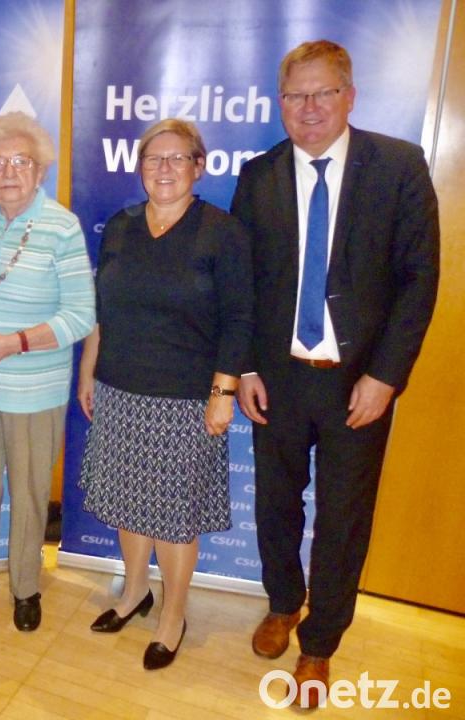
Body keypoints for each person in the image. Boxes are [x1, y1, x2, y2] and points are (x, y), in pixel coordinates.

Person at [231, 40, 440, 707]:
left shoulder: (398, 166)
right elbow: (242, 284)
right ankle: (283, 603)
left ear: (349, 96)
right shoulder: (259, 175)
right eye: (296, 95)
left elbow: (419, 279)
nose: (310, 107)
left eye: (323, 92)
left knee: (344, 516)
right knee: (275, 505)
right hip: (278, 378)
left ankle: (320, 641)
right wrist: (245, 366)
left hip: (359, 383)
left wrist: (386, 376)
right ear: (280, 102)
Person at [77, 119, 253, 670]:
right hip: (119, 389)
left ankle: (173, 615)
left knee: (175, 515)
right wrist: (88, 370)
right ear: (140, 168)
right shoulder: (122, 227)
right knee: (129, 502)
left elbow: (240, 320)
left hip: (186, 400)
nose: (165, 168)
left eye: (178, 158)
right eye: (154, 159)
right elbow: (102, 308)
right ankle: (134, 593)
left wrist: (223, 392)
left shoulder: (222, 232)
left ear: (199, 167)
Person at [0, 112, 95, 632]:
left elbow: (81, 315)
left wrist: (13, 343)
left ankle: (26, 586)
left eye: (21, 162)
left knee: (28, 495)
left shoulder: (61, 226)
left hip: (34, 388)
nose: (8, 172)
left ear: (40, 170)